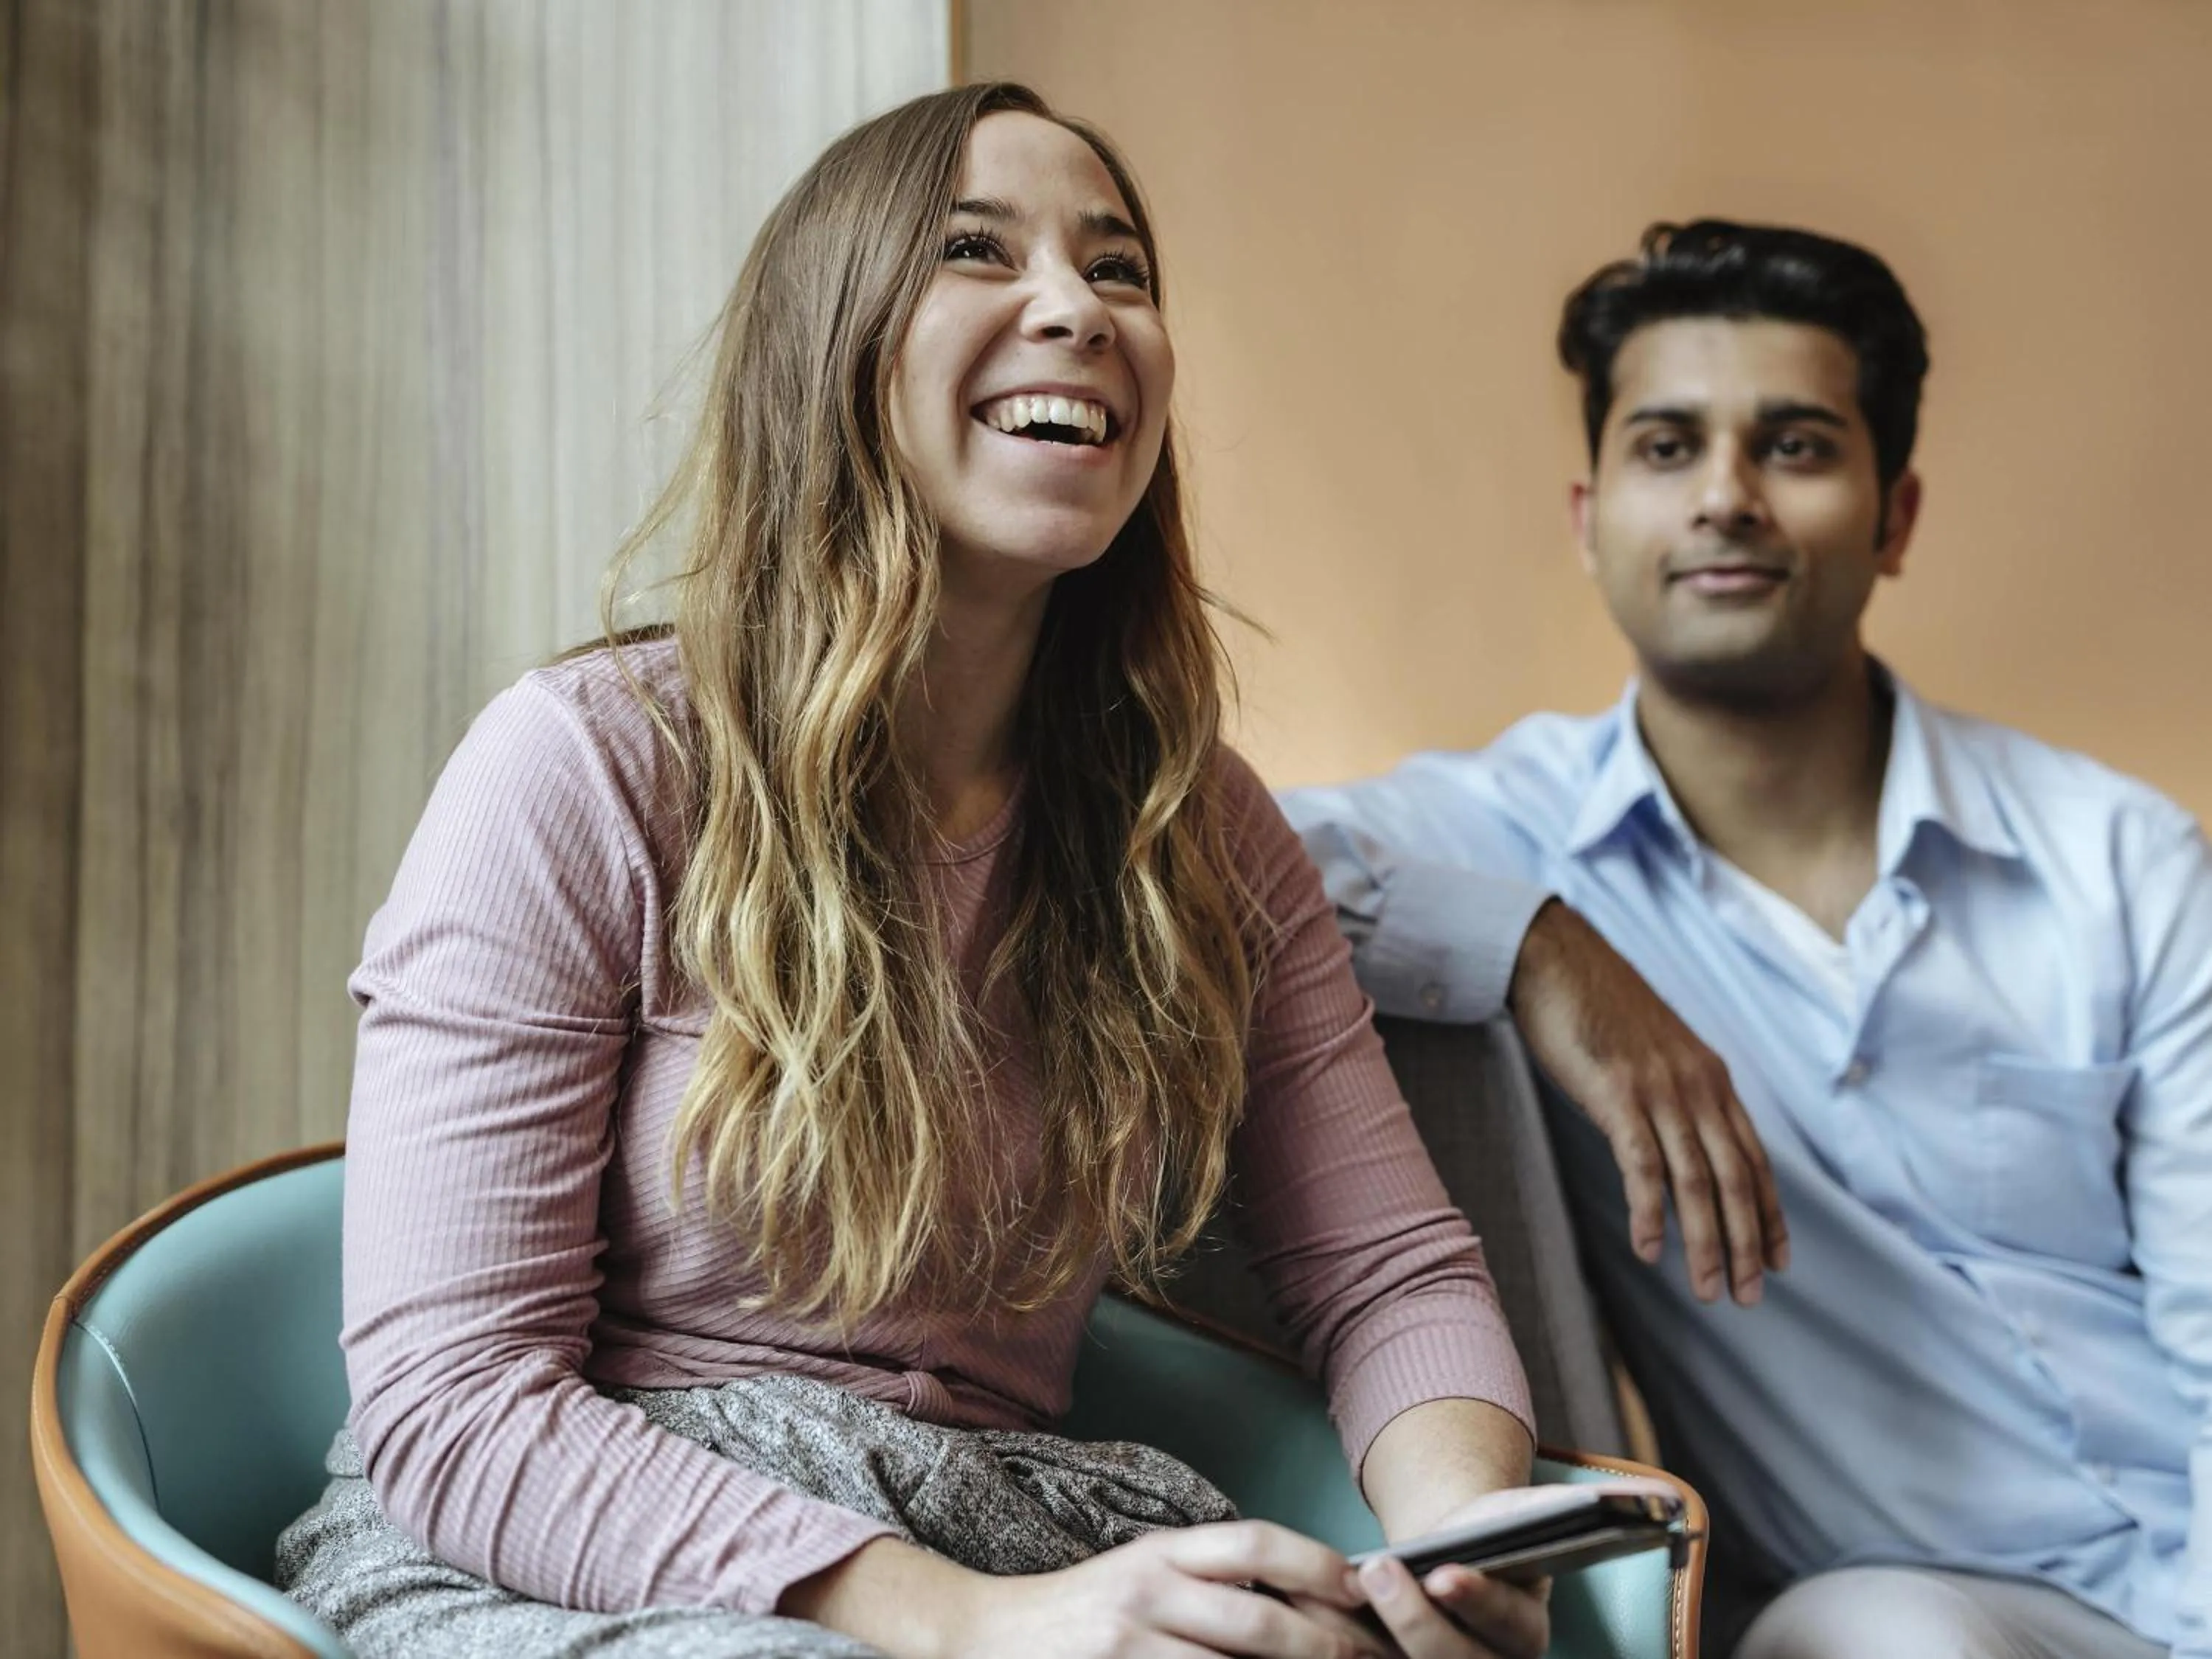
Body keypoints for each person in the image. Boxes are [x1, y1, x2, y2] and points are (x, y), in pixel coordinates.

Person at [276, 82, 1554, 1659]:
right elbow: (454, 1410)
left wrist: (1464, 1548)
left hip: (1011, 1528)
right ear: (834, 352)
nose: (1077, 309)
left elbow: (1387, 1273)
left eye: (1121, 270)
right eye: (976, 251)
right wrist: (967, 1628)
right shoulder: (582, 765)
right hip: (569, 1549)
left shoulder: (1196, 825)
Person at [1281, 221, 2206, 1659]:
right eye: (1667, 448)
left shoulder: (2119, 861)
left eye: (1793, 447)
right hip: (1901, 1621)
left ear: (1894, 516)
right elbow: (1191, 849)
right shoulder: (1500, 840)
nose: (1726, 498)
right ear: (1591, 518)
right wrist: (1534, 943)